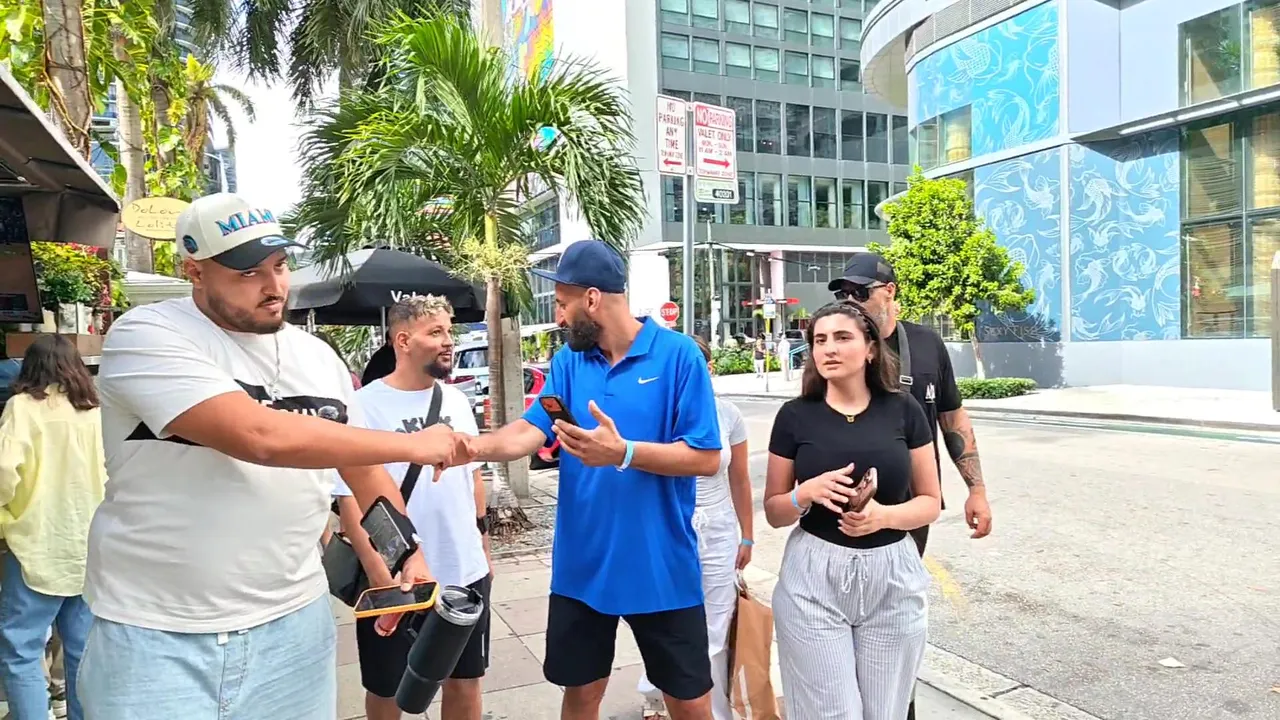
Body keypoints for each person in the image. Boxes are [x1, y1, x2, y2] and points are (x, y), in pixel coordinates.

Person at [78, 192, 466, 720]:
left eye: (280, 266)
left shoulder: (318, 357)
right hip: (157, 634)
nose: (274, 286)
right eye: (248, 273)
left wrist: (405, 556)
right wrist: (413, 444)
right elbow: (258, 435)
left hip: (293, 628)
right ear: (194, 271)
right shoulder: (146, 335)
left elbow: (361, 472)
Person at [464, 240, 722, 720]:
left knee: (689, 703)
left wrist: (623, 452)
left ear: (592, 298)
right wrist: (471, 448)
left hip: (660, 566)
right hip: (582, 567)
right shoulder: (569, 362)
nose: (558, 316)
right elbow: (531, 430)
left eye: (563, 303)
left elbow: (706, 457)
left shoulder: (678, 356)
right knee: (581, 694)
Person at [764, 301, 941, 720]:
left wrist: (883, 517)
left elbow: (930, 502)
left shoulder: (904, 410)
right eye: (819, 340)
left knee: (885, 712)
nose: (829, 348)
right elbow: (774, 510)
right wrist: (805, 493)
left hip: (892, 577)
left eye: (842, 338)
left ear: (871, 349)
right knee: (831, 713)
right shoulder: (794, 416)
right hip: (814, 579)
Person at [334, 294, 493, 720]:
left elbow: (473, 478)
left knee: (465, 681)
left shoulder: (455, 400)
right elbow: (350, 500)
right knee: (387, 688)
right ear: (403, 341)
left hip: (464, 571)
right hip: (396, 580)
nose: (448, 341)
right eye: (435, 332)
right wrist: (382, 579)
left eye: (449, 331)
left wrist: (483, 548)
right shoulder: (364, 406)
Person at [637, 335, 753, 720]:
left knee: (717, 624)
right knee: (664, 617)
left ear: (709, 369)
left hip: (718, 527)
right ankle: (657, 692)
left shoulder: (728, 414)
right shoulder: (658, 413)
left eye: (696, 366)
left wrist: (747, 535)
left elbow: (740, 479)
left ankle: (714, 710)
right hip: (670, 526)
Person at [0, 335, 108, 720]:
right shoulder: (95, 411)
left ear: (29, 366)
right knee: (81, 649)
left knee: (21, 650)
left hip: (37, 543)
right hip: (88, 546)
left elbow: (4, 471)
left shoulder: (23, 407)